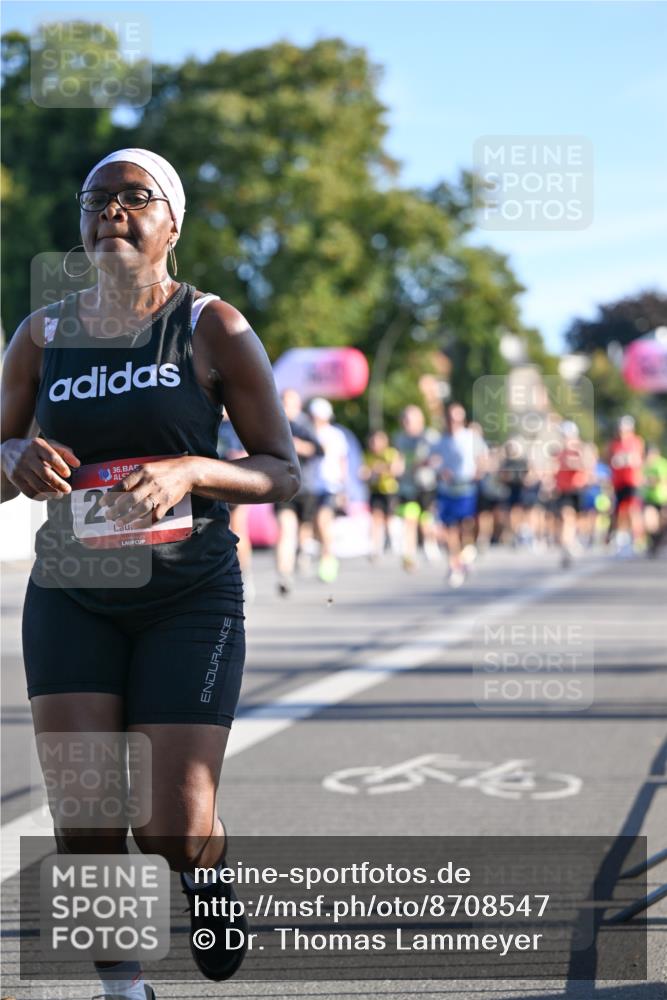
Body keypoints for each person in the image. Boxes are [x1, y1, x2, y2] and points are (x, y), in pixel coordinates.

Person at [0, 148, 299, 999]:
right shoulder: (42, 334)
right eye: (96, 201)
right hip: (71, 594)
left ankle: (206, 874)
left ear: (173, 223)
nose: (111, 215)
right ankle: (123, 991)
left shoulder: (212, 326)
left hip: (186, 596)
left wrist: (192, 473)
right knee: (87, 825)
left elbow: (282, 470)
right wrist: (15, 455)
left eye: (135, 199)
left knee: (171, 828)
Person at [273, 388, 323, 595]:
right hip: (283, 487)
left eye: (290, 403)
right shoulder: (273, 423)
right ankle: (284, 575)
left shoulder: (305, 425)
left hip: (306, 487)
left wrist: (297, 446)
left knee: (304, 530)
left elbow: (319, 450)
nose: (286, 407)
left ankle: (304, 552)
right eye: (283, 402)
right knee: (286, 530)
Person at [431, 403, 486, 587]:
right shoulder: (441, 440)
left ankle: (467, 554)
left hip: (466, 488)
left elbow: (483, 459)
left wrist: (478, 473)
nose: (453, 422)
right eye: (450, 418)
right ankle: (454, 564)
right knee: (450, 528)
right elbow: (432, 460)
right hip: (447, 489)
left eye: (457, 419)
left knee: (466, 525)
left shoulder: (471, 437)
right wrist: (439, 471)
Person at [300, 396, 348, 583]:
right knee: (311, 525)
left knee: (323, 521)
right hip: (309, 486)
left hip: (330, 485)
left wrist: (344, 488)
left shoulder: (335, 434)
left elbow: (343, 461)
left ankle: (328, 559)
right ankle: (318, 553)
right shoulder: (306, 433)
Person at [392, 405, 440, 571]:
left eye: (410, 420)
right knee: (409, 519)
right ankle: (409, 554)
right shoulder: (399, 438)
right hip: (407, 486)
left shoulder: (430, 437)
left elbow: (437, 457)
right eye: (404, 420)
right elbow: (397, 458)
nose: (407, 424)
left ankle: (429, 543)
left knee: (426, 519)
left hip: (426, 483)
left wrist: (424, 463)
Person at [360, 429, 402, 561]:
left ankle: (392, 541)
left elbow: (395, 469)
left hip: (389, 490)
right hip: (375, 490)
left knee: (389, 517)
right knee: (375, 517)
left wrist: (378, 469)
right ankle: (375, 547)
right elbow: (363, 473)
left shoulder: (390, 453)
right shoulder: (368, 456)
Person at [553, 421, 589, 567]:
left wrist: (574, 462)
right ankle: (566, 546)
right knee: (566, 517)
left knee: (576, 520)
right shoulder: (561, 451)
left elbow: (586, 464)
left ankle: (573, 540)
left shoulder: (579, 449)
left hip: (577, 488)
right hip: (563, 490)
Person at [608, 415, 645, 552]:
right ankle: (622, 539)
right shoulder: (614, 444)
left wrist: (626, 460)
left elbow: (636, 460)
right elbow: (612, 461)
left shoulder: (636, 441)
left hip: (632, 481)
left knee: (633, 510)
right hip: (618, 482)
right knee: (620, 511)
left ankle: (637, 539)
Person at [642, 443, 667, 556]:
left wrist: (650, 481)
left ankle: (660, 543)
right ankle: (653, 543)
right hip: (650, 498)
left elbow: (661, 480)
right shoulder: (646, 466)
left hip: (663, 498)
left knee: (663, 521)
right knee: (650, 522)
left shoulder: (661, 464)